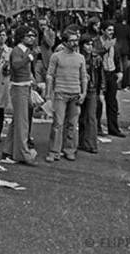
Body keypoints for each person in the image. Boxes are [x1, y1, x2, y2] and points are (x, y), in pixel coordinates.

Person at [44, 29, 87, 163]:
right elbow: (50, 75)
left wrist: (83, 93)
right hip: (60, 93)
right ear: (65, 42)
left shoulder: (81, 58)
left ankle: (70, 150)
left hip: (75, 94)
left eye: (76, 40)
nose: (75, 43)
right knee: (58, 123)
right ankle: (54, 151)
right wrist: (47, 94)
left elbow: (83, 77)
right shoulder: (56, 56)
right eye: (72, 40)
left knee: (72, 124)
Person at [0, 26, 39, 166]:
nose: (32, 38)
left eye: (33, 36)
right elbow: (16, 65)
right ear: (21, 37)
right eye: (29, 35)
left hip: (25, 86)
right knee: (22, 123)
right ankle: (22, 154)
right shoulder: (18, 50)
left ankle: (8, 150)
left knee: (18, 120)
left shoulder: (27, 50)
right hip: (18, 88)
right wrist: (29, 58)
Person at [95, 21, 125, 138]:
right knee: (99, 102)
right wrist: (105, 48)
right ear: (102, 31)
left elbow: (117, 57)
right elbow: (95, 54)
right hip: (101, 74)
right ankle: (97, 127)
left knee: (112, 102)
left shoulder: (114, 43)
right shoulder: (97, 42)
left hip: (112, 73)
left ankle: (113, 128)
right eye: (109, 30)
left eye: (112, 30)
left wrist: (119, 71)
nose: (111, 32)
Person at [77, 35, 104, 154]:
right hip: (78, 89)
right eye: (87, 44)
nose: (89, 47)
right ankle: (81, 142)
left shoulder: (96, 58)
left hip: (92, 89)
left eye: (91, 44)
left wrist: (101, 91)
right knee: (80, 117)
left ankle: (92, 144)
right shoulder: (77, 57)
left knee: (91, 117)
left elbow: (101, 75)